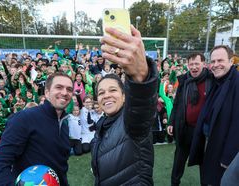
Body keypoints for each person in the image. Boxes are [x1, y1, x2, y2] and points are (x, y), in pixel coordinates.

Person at [91, 26, 158, 185]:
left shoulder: (131, 121)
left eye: (112, 90)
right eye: (101, 93)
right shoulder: (102, 124)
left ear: (124, 95)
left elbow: (141, 105)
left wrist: (140, 76)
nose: (106, 95)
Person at [0, 72, 74, 186]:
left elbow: (60, 166)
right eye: (59, 87)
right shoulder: (24, 118)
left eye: (69, 89)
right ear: (47, 92)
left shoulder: (64, 123)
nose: (64, 93)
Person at [188, 45, 239, 186]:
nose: (216, 65)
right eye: (213, 61)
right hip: (210, 142)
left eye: (220, 61)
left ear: (231, 61)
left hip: (224, 151)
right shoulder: (218, 81)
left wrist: (228, 157)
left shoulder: (236, 83)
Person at [166, 53, 212, 186]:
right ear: (187, 65)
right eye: (191, 64)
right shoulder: (184, 80)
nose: (194, 67)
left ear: (204, 64)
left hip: (204, 132)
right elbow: (177, 103)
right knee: (178, 163)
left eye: (197, 63)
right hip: (185, 129)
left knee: (205, 164)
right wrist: (171, 121)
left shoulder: (212, 79)